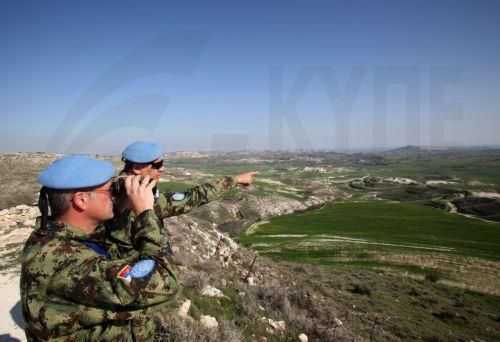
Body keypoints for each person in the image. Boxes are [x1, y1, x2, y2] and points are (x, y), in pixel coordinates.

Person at [20, 155, 179, 341]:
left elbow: (120, 252)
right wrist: (145, 213)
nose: (114, 194)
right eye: (108, 190)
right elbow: (165, 282)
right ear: (81, 200)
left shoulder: (57, 238)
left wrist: (119, 207)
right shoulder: (67, 261)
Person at [106, 140, 256, 255]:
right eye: (158, 165)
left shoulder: (117, 189)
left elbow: (192, 197)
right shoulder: (131, 197)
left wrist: (235, 179)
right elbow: (195, 197)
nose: (162, 169)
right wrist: (235, 180)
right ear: (137, 168)